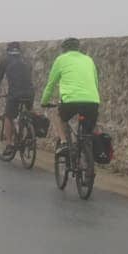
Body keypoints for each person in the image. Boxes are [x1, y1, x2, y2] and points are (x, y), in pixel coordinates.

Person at [40, 38, 100, 172]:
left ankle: (64, 142)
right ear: (78, 48)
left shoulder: (61, 60)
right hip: (92, 101)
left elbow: (51, 84)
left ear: (64, 49)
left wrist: (44, 101)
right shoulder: (89, 60)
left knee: (59, 116)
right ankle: (87, 162)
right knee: (86, 134)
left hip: (71, 101)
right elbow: (96, 83)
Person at [0, 41, 34, 155]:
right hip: (29, 93)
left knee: (8, 117)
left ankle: (9, 144)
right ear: (19, 51)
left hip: (15, 94)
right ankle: (30, 135)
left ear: (8, 51)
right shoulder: (26, 61)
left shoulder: (5, 61)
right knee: (29, 112)